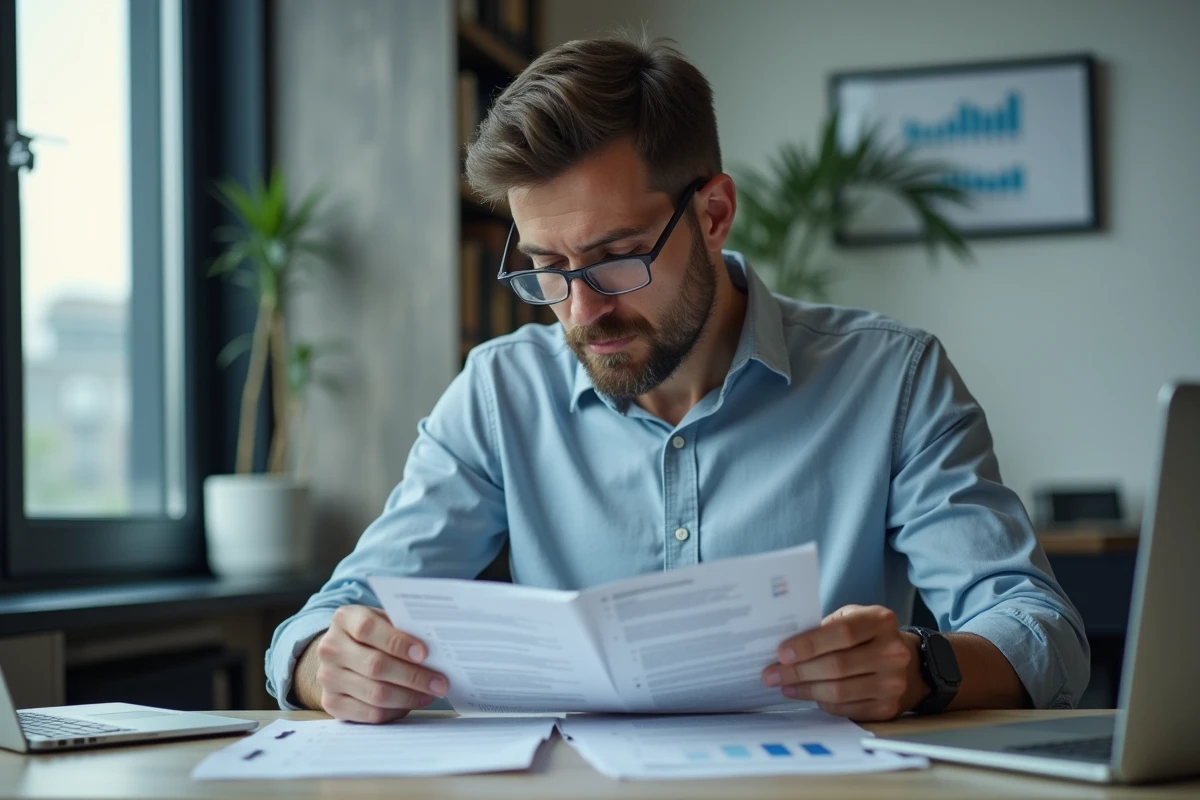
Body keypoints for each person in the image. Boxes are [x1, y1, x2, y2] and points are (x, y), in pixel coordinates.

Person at [266, 36, 1089, 724]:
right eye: (547, 269)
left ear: (714, 213)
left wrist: (923, 668)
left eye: (616, 258)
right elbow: (329, 615)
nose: (581, 310)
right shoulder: (498, 395)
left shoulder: (892, 379)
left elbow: (1042, 629)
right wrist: (322, 665)